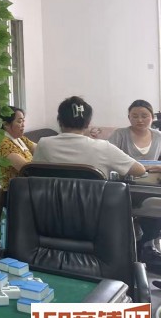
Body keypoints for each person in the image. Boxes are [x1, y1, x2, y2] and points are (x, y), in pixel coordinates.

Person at [33, 96, 148, 179]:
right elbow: (140, 170)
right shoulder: (103, 147)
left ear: (59, 121)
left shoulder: (44, 144)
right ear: (88, 123)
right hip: (95, 205)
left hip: (53, 204)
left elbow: (35, 175)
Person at [109, 100, 161, 266]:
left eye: (144, 116)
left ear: (152, 117)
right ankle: (142, 247)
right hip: (125, 184)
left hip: (152, 184)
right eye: (135, 116)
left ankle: (146, 246)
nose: (140, 120)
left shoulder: (158, 136)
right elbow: (109, 158)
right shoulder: (120, 134)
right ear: (129, 117)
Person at [0, 106, 36, 191]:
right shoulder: (3, 144)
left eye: (23, 121)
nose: (23, 125)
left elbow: (41, 149)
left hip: (27, 185)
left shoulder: (20, 138)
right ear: (6, 124)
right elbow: (27, 170)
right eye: (19, 121)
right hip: (12, 191)